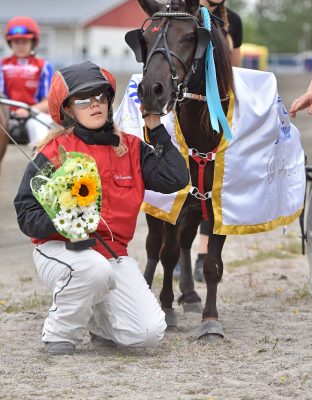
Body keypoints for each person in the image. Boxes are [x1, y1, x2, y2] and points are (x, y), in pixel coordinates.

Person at [14, 60, 189, 356]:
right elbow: (25, 212)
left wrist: (155, 127)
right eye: (83, 99)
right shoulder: (54, 152)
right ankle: (58, 332)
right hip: (60, 250)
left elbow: (176, 178)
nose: (95, 104)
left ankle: (99, 324)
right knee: (92, 271)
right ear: (68, 109)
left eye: (100, 97)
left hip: (112, 255)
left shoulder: (132, 148)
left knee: (148, 333)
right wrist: (61, 220)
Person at [190, 0, 243, 282]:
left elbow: (235, 73)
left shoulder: (233, 22)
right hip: (183, 105)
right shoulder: (182, 11)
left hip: (215, 113)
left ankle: (203, 252)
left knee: (213, 182)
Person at [0, 16, 53, 143]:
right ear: (10, 43)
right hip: (7, 116)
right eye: (16, 42)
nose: (20, 46)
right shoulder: (2, 65)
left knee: (37, 128)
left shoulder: (44, 66)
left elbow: (49, 102)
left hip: (35, 114)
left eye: (24, 41)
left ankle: (41, 162)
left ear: (33, 43)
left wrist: (28, 110)